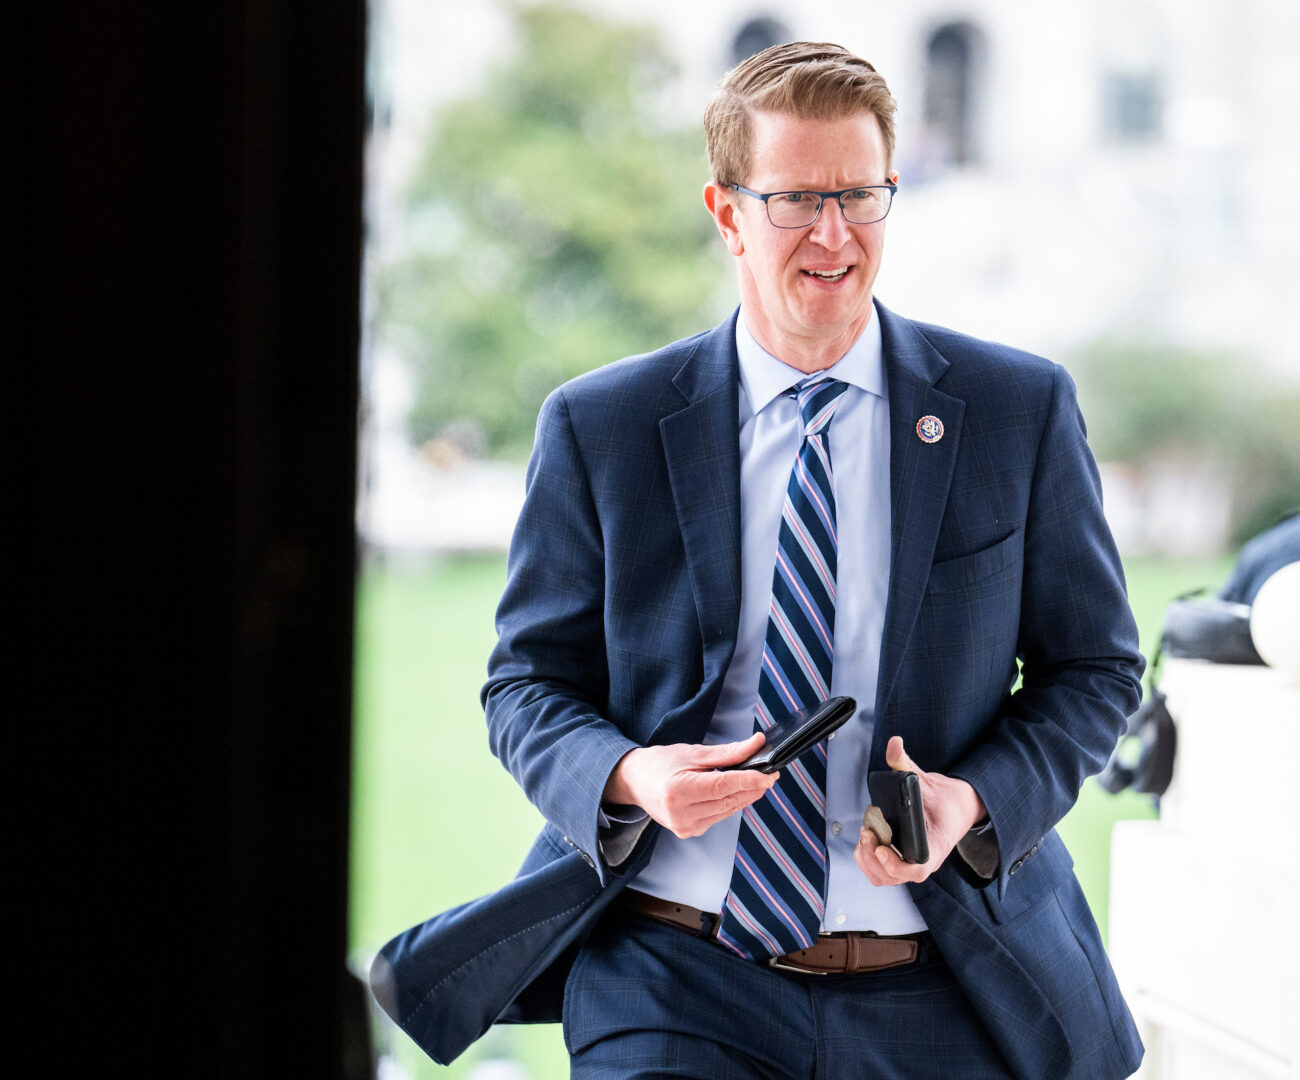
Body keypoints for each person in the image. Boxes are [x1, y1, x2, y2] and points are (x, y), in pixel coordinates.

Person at [374, 41, 1145, 1080]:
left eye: (860, 197)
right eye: (795, 200)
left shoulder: (1017, 412)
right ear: (727, 211)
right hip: (673, 970)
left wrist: (973, 802)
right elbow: (525, 684)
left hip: (942, 980)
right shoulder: (604, 426)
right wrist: (631, 774)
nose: (834, 234)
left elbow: (1093, 671)